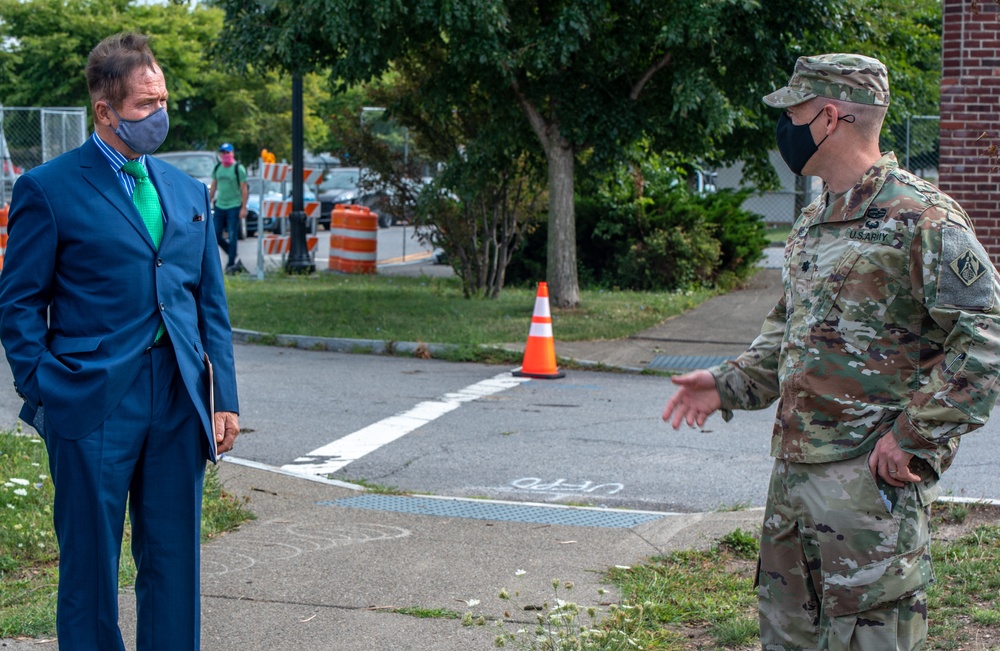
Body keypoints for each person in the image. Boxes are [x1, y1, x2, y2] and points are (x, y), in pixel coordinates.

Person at [662, 53, 1000, 650]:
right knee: (787, 636)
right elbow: (788, 329)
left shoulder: (921, 217)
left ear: (829, 116)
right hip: (794, 480)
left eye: (792, 112)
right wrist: (728, 383)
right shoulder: (816, 219)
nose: (785, 127)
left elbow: (986, 336)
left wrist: (916, 436)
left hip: (868, 488)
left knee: (866, 640)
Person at [0, 32, 240, 651]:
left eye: (162, 100)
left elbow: (208, 302)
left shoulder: (188, 191)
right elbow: (19, 303)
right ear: (105, 112)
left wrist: (224, 397)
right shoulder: (48, 190)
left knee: (174, 563)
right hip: (91, 401)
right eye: (143, 105)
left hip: (177, 401)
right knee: (90, 568)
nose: (158, 115)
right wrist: (46, 387)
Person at [209, 141, 248, 273]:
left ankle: (231, 264)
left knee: (233, 235)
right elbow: (213, 186)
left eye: (227, 152)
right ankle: (232, 254)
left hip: (234, 206)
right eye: (223, 153)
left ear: (232, 153)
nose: (225, 155)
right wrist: (208, 201)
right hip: (220, 205)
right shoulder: (218, 168)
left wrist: (243, 207)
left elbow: (244, 188)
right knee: (215, 234)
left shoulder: (238, 168)